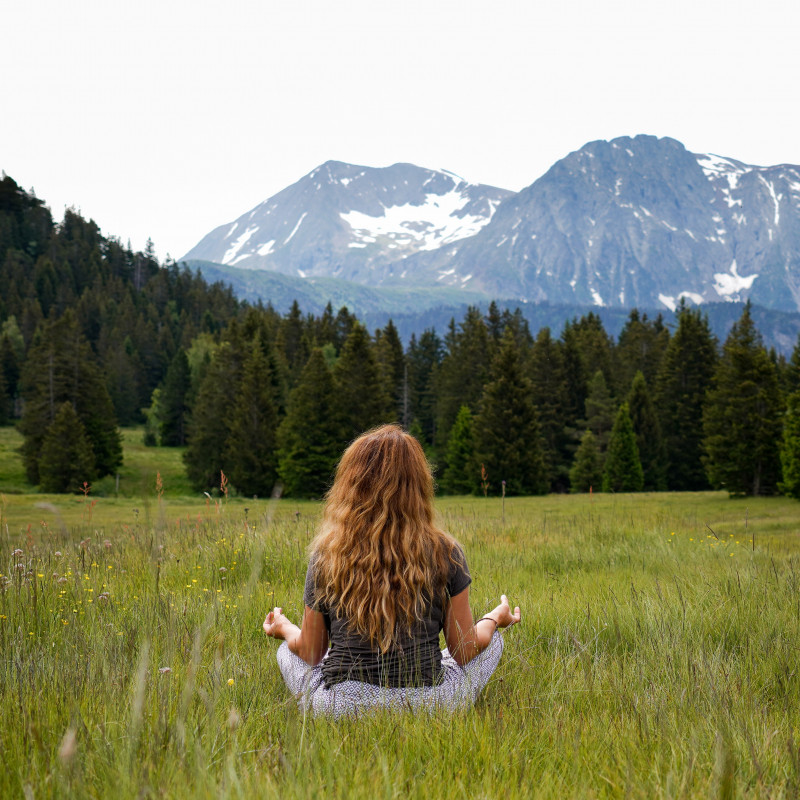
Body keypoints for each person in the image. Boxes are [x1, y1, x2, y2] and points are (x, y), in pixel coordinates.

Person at [262, 424, 520, 717]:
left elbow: (310, 652)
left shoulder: (326, 556)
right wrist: (495, 618)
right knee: (492, 640)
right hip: (431, 704)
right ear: (419, 484)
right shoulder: (446, 552)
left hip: (340, 707)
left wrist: (283, 627)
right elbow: (463, 651)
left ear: (351, 484)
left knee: (287, 652)